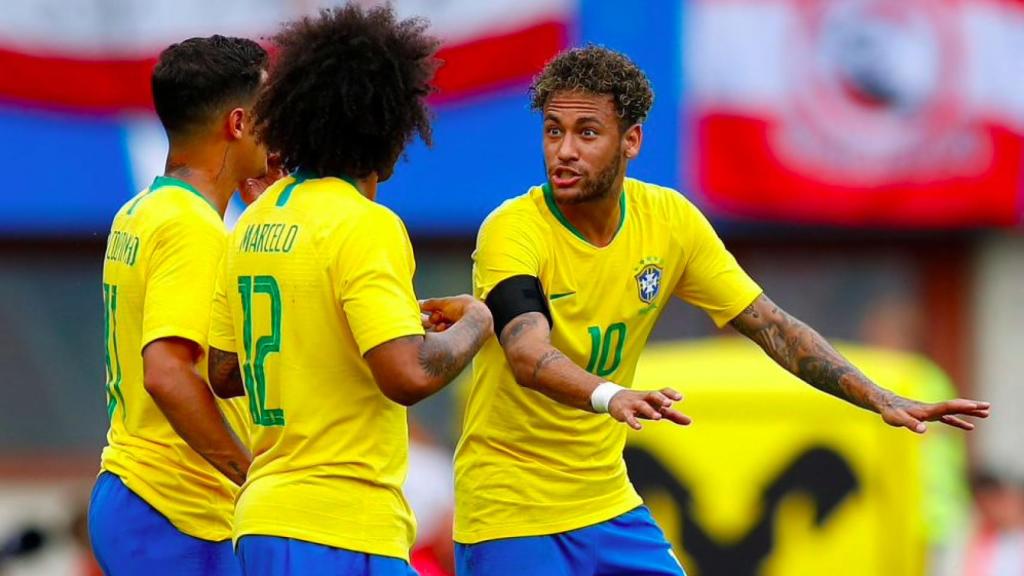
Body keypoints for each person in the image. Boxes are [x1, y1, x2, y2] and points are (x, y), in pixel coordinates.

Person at [453, 45, 991, 576]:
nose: (564, 150)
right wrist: (612, 395)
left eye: (587, 133)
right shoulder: (512, 230)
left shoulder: (670, 222)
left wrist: (877, 397)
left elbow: (773, 328)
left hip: (604, 502)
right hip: (509, 508)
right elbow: (526, 354)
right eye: (553, 131)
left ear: (631, 140)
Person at [204, 6, 493, 576]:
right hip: (337, 527)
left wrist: (359, 328)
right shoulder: (365, 224)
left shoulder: (255, 222)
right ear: (388, 125)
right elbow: (406, 376)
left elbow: (224, 371)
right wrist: (477, 323)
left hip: (267, 520)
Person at [88, 36, 275, 575]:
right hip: (172, 505)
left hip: (138, 492)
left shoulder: (142, 209)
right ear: (238, 124)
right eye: (269, 109)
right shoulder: (192, 227)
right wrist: (251, 473)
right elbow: (167, 374)